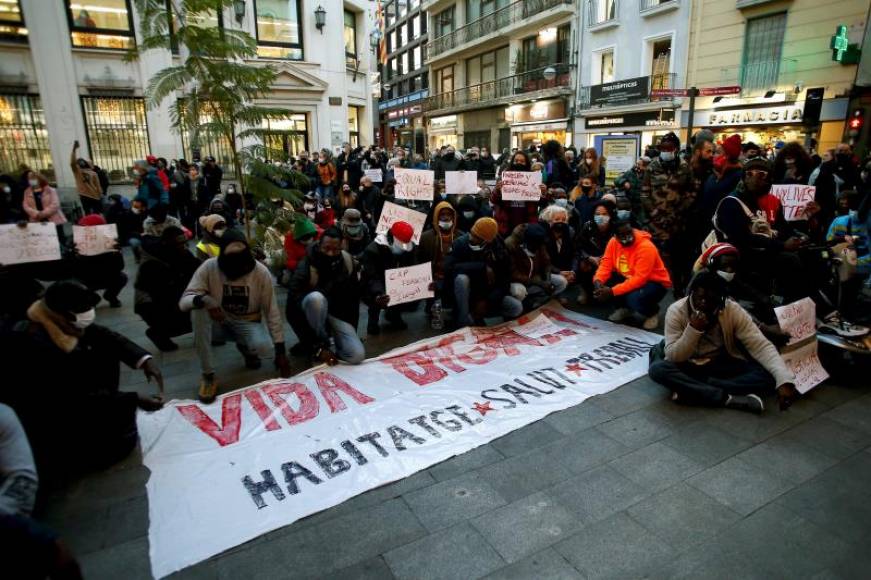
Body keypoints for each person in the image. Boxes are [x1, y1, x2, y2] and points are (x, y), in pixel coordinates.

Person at [0, 280, 164, 475]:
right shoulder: (30, 343)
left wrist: (143, 359)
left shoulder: (52, 315)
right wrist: (132, 399)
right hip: (50, 420)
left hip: (78, 396)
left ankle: (107, 418)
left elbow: (102, 335)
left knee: (103, 350)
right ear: (68, 314)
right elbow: (69, 397)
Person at [649, 270, 799, 414]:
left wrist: (783, 379)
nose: (703, 303)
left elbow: (760, 345)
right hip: (687, 362)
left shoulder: (731, 309)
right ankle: (726, 398)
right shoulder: (676, 311)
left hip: (716, 362)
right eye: (699, 298)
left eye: (710, 300)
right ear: (692, 294)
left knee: (767, 376)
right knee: (658, 369)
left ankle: (692, 390)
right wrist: (693, 330)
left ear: (721, 299)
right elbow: (675, 356)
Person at [180, 229, 291, 403]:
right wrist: (205, 300)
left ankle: (247, 348)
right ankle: (208, 375)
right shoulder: (210, 267)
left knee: (264, 347)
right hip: (218, 322)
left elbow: (272, 311)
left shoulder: (260, 272)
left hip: (247, 321)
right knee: (198, 311)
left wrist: (280, 350)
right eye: (232, 258)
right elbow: (184, 302)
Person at [286, 227, 365, 365]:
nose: (330, 253)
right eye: (326, 248)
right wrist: (316, 347)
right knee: (316, 299)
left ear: (341, 247)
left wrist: (351, 331)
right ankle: (316, 347)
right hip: (309, 317)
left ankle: (332, 347)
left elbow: (353, 300)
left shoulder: (347, 263)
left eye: (335, 250)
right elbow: (292, 309)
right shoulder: (306, 265)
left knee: (357, 355)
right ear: (319, 245)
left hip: (336, 314)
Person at [593, 220, 672, 329]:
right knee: (605, 283)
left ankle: (652, 313)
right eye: (623, 235)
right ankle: (624, 308)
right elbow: (606, 264)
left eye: (630, 232)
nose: (628, 237)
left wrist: (612, 291)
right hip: (629, 276)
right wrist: (598, 281)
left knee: (634, 298)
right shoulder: (613, 242)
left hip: (655, 282)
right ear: (615, 236)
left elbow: (640, 279)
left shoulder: (646, 247)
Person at [444, 217, 521, 326]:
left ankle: (478, 316)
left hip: (488, 295)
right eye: (472, 233)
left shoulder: (499, 250)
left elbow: (505, 282)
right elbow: (449, 268)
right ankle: (464, 321)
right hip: (467, 295)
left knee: (516, 307)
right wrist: (482, 267)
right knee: (462, 279)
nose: (471, 238)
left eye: (476, 237)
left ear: (487, 241)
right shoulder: (460, 244)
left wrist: (488, 301)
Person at [135, 227, 201, 352]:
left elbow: (198, 268)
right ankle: (158, 333)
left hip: (170, 293)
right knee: (185, 318)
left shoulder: (182, 253)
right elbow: (162, 292)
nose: (184, 246)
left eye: (185, 242)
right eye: (179, 243)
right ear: (167, 243)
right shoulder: (152, 263)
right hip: (149, 302)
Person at [361, 221, 421, 335]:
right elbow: (372, 277)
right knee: (376, 296)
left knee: (404, 292)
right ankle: (373, 321)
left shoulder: (411, 248)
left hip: (397, 280)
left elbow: (413, 268)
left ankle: (394, 315)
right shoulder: (372, 250)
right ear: (391, 238)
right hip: (374, 282)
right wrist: (379, 293)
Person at [505, 223, 568, 311]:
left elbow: (547, 262)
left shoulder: (537, 238)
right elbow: (513, 274)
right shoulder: (510, 245)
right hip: (517, 281)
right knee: (520, 291)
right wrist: (540, 283)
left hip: (534, 276)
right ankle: (525, 305)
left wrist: (547, 280)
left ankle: (537, 301)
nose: (537, 249)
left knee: (562, 281)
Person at [417, 201, 460, 314]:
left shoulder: (461, 236)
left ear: (453, 216)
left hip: (454, 277)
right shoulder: (425, 238)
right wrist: (426, 279)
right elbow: (419, 262)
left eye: (449, 214)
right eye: (442, 214)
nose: (446, 217)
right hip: (434, 278)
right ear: (436, 216)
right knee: (434, 312)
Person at [576, 200, 617, 304]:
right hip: (591, 258)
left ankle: (609, 292)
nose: (601, 217)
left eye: (604, 214)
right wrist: (588, 257)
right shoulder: (587, 226)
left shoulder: (616, 228)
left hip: (610, 259)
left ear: (610, 214)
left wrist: (604, 258)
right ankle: (584, 291)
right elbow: (578, 246)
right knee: (583, 265)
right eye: (597, 214)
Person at [490, 150, 539, 236]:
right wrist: (497, 190)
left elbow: (541, 202)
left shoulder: (533, 179)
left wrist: (543, 193)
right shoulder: (504, 177)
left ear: (527, 163)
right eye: (516, 161)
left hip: (526, 220)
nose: (518, 163)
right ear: (512, 162)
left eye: (522, 161)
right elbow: (493, 200)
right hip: (506, 222)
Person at [21, 172, 66, 245]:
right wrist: (36, 214)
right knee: (43, 242)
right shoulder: (27, 192)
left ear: (39, 179)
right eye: (29, 179)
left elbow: (55, 204)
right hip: (37, 220)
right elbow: (25, 205)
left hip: (53, 220)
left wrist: (43, 213)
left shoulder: (50, 190)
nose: (31, 181)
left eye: (33, 179)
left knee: (58, 241)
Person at [70, 141, 103, 215]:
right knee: (93, 214)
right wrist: (74, 150)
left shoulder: (82, 172)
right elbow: (72, 163)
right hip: (90, 195)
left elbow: (98, 186)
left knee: (91, 214)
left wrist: (74, 150)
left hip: (89, 195)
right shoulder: (79, 172)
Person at [614, 157, 650, 225]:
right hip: (629, 205)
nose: (638, 166)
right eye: (638, 164)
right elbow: (617, 180)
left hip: (641, 207)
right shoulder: (630, 173)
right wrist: (624, 182)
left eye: (640, 165)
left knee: (641, 224)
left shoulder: (648, 175)